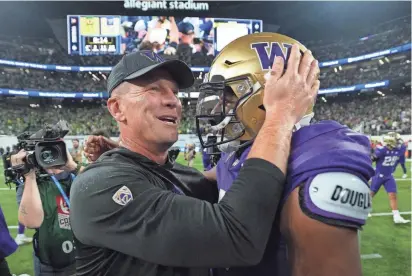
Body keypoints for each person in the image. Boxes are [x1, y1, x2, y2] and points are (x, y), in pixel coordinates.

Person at [70, 46, 317, 276]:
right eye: (154, 89)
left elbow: (234, 177)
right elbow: (237, 237)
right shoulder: (98, 187)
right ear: (116, 108)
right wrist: (280, 115)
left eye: (175, 92)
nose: (173, 101)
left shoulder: (176, 173)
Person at [193, 32, 375, 276]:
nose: (216, 110)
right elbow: (213, 177)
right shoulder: (239, 153)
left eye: (228, 97)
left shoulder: (314, 166)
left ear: (263, 97)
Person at [10, 143, 84, 276]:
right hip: (48, 261)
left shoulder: (77, 174)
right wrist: (29, 176)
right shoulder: (32, 182)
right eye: (45, 150)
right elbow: (31, 222)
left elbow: (106, 186)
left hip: (82, 255)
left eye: (55, 147)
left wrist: (73, 166)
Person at [370, 135, 410, 224]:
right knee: (371, 194)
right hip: (379, 175)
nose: (397, 143)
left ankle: (396, 216)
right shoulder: (382, 150)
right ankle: (364, 209)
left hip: (389, 176)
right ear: (390, 143)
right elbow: (371, 159)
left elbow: (403, 145)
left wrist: (398, 138)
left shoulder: (398, 150)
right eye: (395, 141)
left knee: (393, 195)